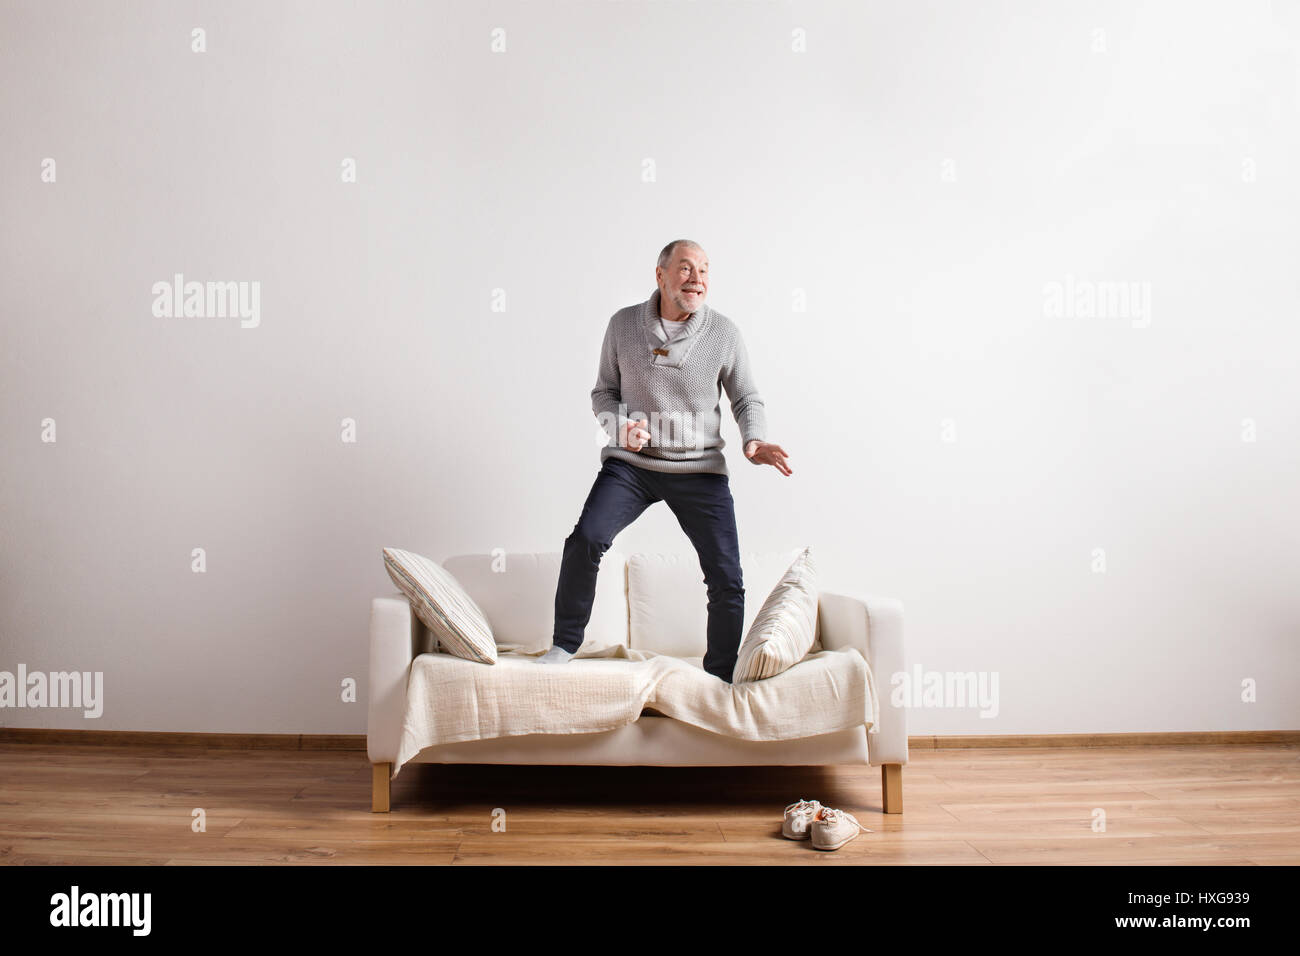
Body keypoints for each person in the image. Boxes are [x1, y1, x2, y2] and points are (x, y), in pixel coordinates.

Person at [537, 239, 791, 682]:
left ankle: (719, 677)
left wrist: (754, 440)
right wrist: (621, 426)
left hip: (699, 469)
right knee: (586, 539)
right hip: (632, 466)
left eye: (705, 271)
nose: (697, 279)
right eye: (686, 269)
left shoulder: (724, 334)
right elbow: (603, 393)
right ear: (661, 275)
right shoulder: (623, 325)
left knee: (726, 575)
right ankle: (563, 645)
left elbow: (747, 397)